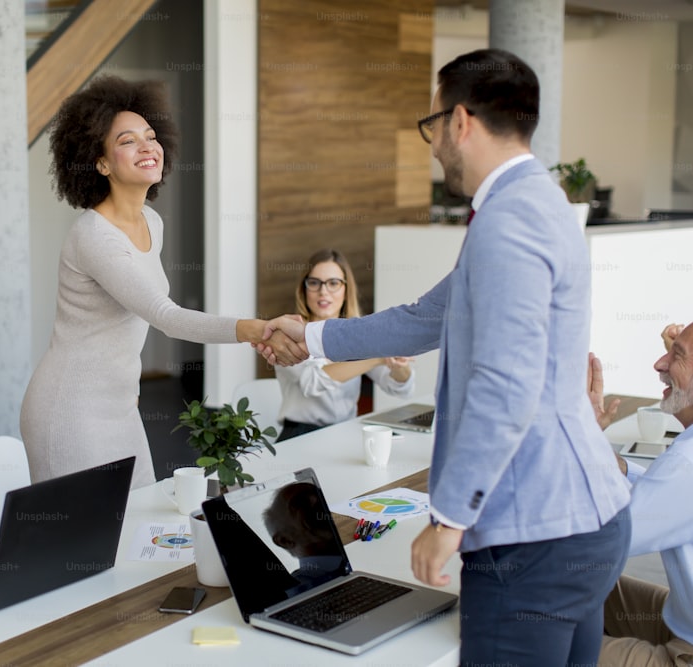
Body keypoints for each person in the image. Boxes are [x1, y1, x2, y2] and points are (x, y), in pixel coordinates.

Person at [259, 49, 631, 664]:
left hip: (532, 535)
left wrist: (450, 520)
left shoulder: (509, 222)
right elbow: (425, 318)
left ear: (460, 121)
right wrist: (311, 336)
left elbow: (504, 386)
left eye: (431, 127)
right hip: (580, 524)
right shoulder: (536, 204)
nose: (432, 146)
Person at [20, 75, 270, 489]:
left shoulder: (152, 221)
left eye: (150, 136)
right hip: (69, 410)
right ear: (100, 163)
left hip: (122, 405)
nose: (146, 146)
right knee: (86, 544)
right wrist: (254, 329)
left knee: (141, 529)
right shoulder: (94, 236)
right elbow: (164, 316)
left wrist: (127, 382)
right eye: (126, 141)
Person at [588, 323, 693, 666]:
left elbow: (601, 537)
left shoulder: (686, 462)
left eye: (677, 355)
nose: (659, 364)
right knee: (563, 585)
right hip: (682, 621)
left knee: (511, 626)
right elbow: (665, 498)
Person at [275, 249, 413, 442]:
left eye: (333, 283)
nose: (323, 291)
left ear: (346, 290)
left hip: (345, 433)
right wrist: (378, 357)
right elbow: (314, 382)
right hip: (300, 437)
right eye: (314, 283)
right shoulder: (287, 335)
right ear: (304, 289)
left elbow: (400, 389)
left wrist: (399, 364)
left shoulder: (356, 333)